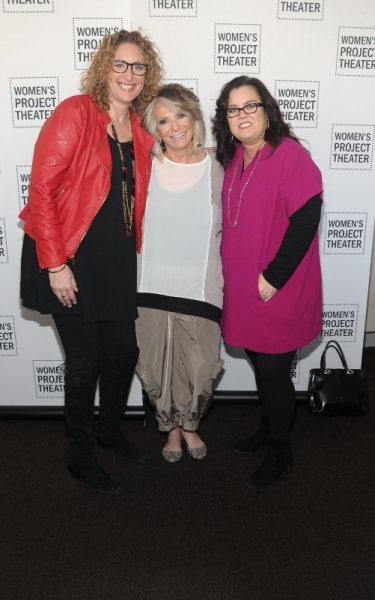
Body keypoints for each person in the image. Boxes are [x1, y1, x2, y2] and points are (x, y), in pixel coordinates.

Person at [19, 30, 164, 494]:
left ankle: (109, 429)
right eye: (120, 65)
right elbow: (41, 190)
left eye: (138, 67)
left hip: (115, 262)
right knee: (85, 361)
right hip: (68, 256)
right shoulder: (76, 113)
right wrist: (56, 264)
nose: (129, 74)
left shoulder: (140, 129)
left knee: (123, 352)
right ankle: (79, 455)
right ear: (105, 68)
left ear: (148, 74)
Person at [212, 76, 323, 488]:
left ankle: (281, 450)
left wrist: (274, 277)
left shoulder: (290, 155)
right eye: (233, 109)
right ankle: (267, 427)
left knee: (275, 370)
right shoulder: (232, 157)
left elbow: (306, 220)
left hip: (279, 284)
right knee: (260, 363)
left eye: (250, 106)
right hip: (243, 284)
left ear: (267, 110)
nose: (242, 115)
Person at [135, 84, 224, 462]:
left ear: (194, 117)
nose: (174, 126)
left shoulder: (219, 166)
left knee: (201, 366)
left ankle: (191, 424)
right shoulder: (146, 166)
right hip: (150, 284)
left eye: (180, 115)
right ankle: (172, 430)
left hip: (201, 285)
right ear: (154, 130)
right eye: (163, 120)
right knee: (156, 365)